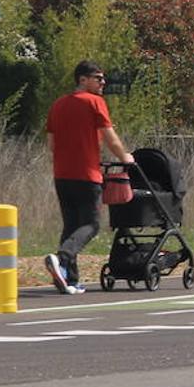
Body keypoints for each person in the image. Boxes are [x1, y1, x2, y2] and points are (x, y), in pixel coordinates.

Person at [44, 60, 133, 294]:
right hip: (87, 174)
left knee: (71, 225)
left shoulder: (58, 104)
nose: (103, 82)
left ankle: (69, 279)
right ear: (82, 80)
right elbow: (110, 137)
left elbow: (51, 144)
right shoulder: (95, 102)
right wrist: (125, 157)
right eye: (98, 78)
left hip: (61, 175)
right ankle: (63, 257)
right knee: (91, 225)